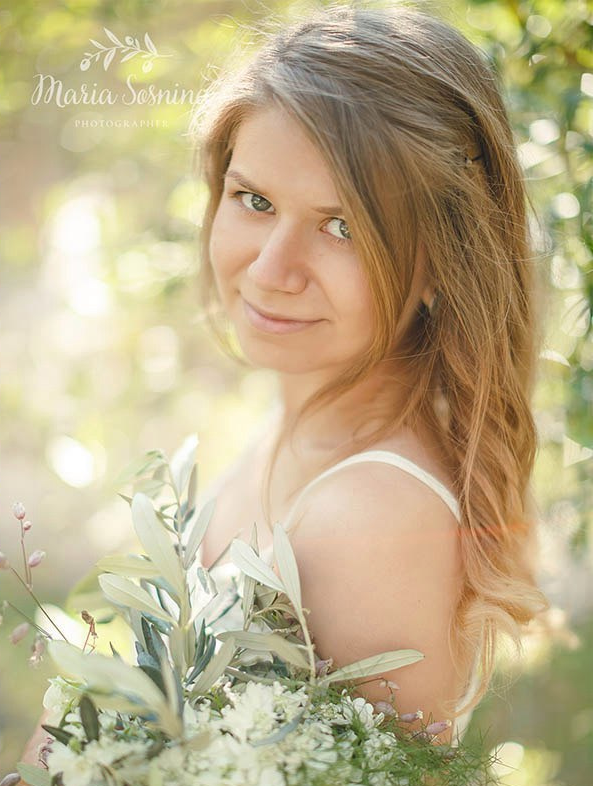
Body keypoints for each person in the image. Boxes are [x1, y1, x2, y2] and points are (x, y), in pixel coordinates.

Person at [192, 6, 546, 736]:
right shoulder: (294, 432)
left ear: (441, 261)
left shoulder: (372, 515)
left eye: (342, 226)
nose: (271, 269)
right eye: (254, 200)